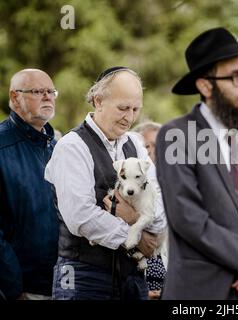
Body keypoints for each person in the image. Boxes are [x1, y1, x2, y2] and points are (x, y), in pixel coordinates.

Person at [155, 27, 238, 299]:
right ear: (205, 85)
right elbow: (189, 218)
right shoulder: (177, 135)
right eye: (236, 77)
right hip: (200, 293)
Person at [45, 66, 167, 300]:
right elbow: (81, 216)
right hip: (84, 277)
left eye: (135, 109)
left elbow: (158, 200)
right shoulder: (72, 146)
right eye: (123, 108)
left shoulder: (136, 143)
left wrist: (133, 218)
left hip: (133, 278)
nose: (129, 117)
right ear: (98, 100)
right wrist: (137, 237)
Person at [0, 69, 59, 300]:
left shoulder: (57, 148)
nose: (47, 97)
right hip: (20, 290)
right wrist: (13, 289)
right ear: (15, 97)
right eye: (37, 91)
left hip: (61, 286)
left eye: (51, 91)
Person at [132, 120, 166, 300]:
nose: (151, 151)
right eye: (146, 145)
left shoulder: (174, 187)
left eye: (157, 145)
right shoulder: (127, 190)